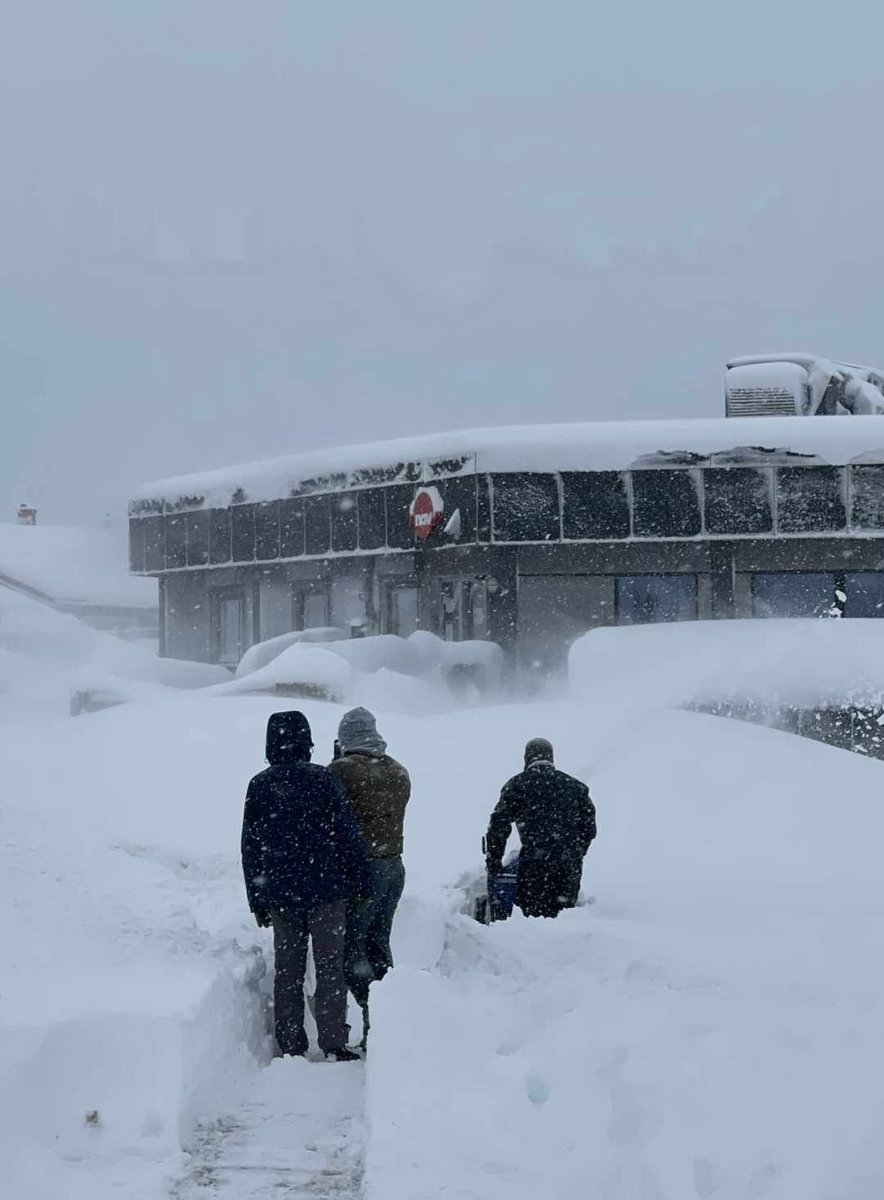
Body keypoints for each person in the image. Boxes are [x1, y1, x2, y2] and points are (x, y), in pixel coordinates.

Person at [241, 710, 370, 1062]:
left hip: (282, 895)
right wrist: (360, 882)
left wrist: (257, 898)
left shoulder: (260, 784)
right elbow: (347, 833)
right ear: (307, 740)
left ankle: (291, 1045)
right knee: (330, 967)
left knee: (289, 971)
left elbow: (250, 847)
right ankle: (333, 1042)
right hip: (327, 891)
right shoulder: (323, 780)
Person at [328, 707, 410, 1045]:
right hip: (394, 867)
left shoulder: (342, 770)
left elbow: (333, 812)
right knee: (379, 944)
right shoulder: (399, 770)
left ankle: (372, 1017)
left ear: (346, 737)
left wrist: (337, 761)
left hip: (363, 871)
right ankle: (388, 1021)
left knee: (352, 950)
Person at [485, 738, 596, 919]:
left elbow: (499, 825)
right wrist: (576, 852)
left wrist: (494, 859)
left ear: (526, 758)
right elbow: (589, 827)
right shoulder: (576, 787)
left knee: (532, 922)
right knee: (565, 920)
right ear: (551, 757)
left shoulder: (517, 785)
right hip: (568, 867)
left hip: (534, 865)